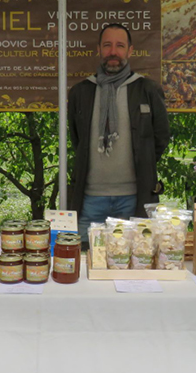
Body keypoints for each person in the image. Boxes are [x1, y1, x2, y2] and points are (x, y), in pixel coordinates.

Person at [68, 23, 170, 241]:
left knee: (132, 266)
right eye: (107, 45)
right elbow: (78, 141)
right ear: (99, 49)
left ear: (130, 51)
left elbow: (160, 138)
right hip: (90, 200)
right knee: (87, 264)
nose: (113, 52)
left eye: (120, 46)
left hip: (134, 198)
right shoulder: (81, 92)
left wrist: (144, 162)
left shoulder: (147, 90)